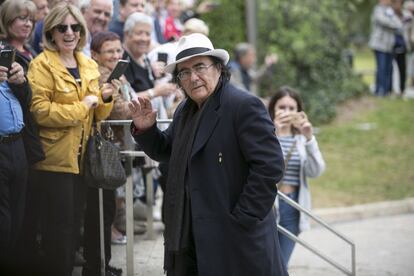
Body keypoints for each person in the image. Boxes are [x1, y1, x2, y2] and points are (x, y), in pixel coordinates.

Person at [129, 33, 287, 276]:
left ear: (218, 68)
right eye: (184, 72)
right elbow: (167, 150)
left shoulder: (243, 105)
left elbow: (270, 167)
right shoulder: (185, 110)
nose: (193, 77)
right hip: (191, 236)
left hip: (237, 238)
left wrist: (242, 218)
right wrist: (147, 129)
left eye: (200, 67)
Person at [27, 3, 116, 275]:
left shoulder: (88, 63)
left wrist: (106, 98)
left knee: (75, 224)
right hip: (54, 160)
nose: (69, 33)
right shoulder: (41, 65)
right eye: (62, 27)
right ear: (51, 31)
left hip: (83, 158)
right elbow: (39, 111)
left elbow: (98, 113)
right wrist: (82, 107)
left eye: (75, 27)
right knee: (58, 230)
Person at [268, 86, 325, 268]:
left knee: (281, 264)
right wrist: (273, 133)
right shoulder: (263, 133)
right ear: (273, 110)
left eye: (291, 108)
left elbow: (315, 171)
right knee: (264, 264)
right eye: (281, 107)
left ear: (299, 112)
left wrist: (309, 139)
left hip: (293, 208)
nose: (286, 112)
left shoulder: (302, 140)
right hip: (267, 206)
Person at [369, 0, 403, 96]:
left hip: (389, 46)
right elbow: (383, 21)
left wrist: (393, 23)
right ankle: (380, 90)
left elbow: (399, 23)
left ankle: (386, 90)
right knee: (381, 68)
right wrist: (393, 24)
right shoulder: (377, 10)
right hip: (379, 45)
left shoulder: (390, 11)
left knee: (388, 69)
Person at [391, 0, 412, 95]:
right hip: (391, 46)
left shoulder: (407, 15)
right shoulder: (389, 13)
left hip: (403, 45)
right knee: (391, 69)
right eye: (396, 3)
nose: (397, 5)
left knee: (402, 69)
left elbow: (410, 26)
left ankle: (402, 89)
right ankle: (392, 89)